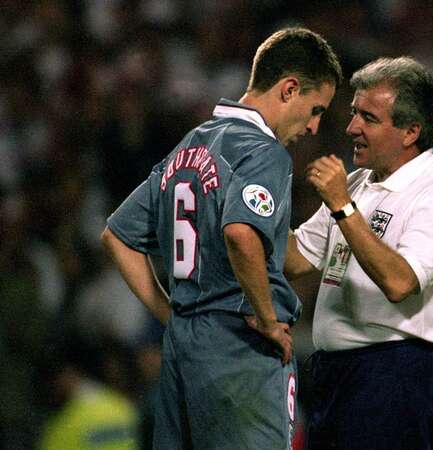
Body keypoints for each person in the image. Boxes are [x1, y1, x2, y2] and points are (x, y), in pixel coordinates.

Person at [100, 27, 342, 449]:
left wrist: (170, 315)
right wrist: (268, 318)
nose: (315, 126)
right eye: (315, 108)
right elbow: (241, 232)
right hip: (238, 346)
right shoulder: (263, 150)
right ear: (288, 90)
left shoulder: (190, 146)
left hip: (182, 348)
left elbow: (117, 236)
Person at [285, 56, 433, 449]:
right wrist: (250, 207)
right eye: (354, 113)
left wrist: (343, 208)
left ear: (410, 131)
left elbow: (400, 281)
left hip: (394, 376)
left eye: (368, 118)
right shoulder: (357, 185)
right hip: (332, 374)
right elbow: (297, 258)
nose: (352, 127)